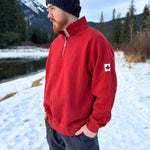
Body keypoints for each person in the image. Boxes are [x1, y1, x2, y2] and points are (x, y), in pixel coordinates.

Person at [44, 0, 117, 150]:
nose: (48, 15)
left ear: (67, 8)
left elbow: (106, 91)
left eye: (52, 8)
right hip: (53, 128)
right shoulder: (55, 44)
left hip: (79, 134)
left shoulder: (96, 42)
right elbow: (50, 83)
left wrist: (93, 127)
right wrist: (48, 111)